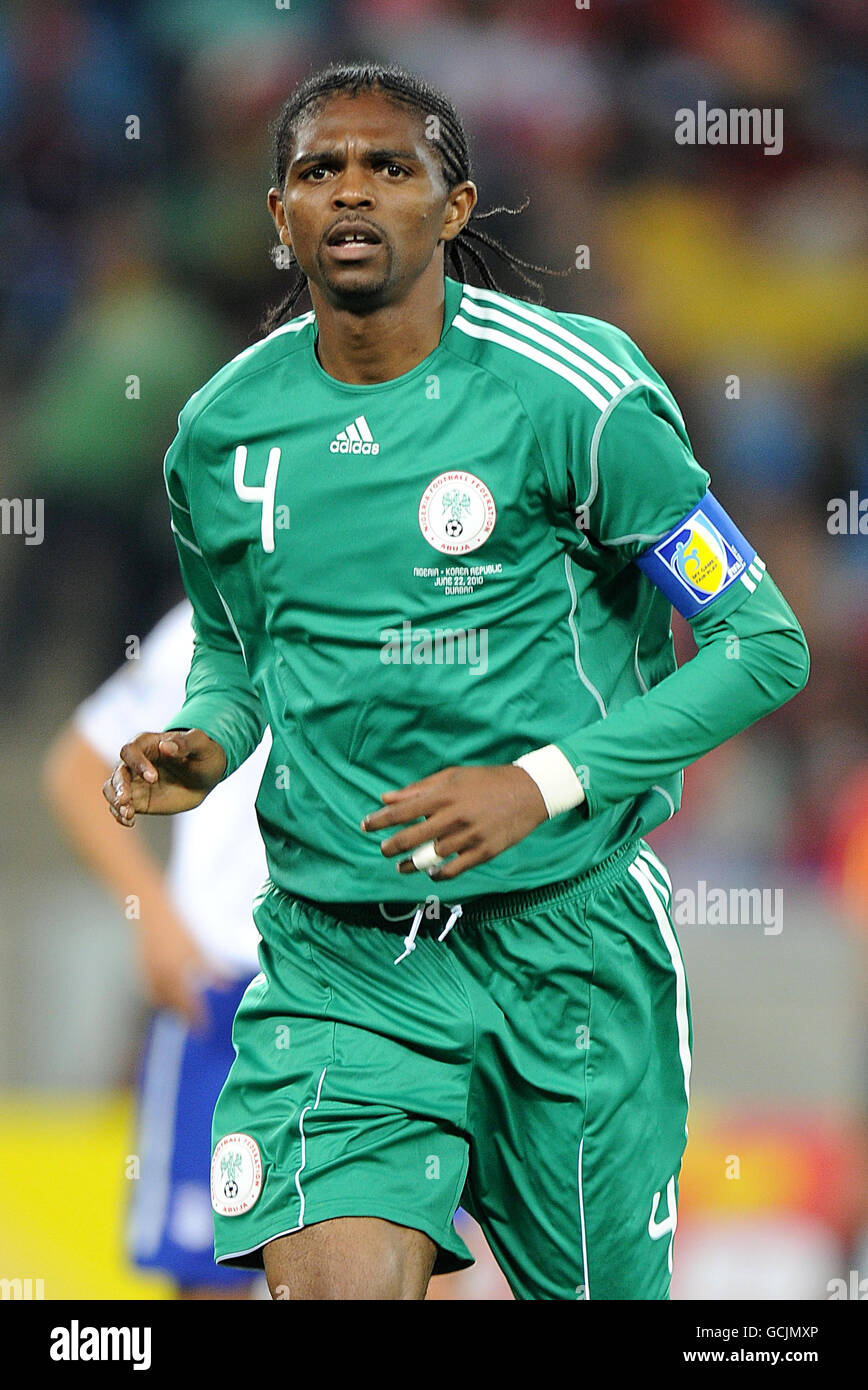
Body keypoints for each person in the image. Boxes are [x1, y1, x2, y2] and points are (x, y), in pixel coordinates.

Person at [103, 62, 810, 1301]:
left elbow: (762, 641)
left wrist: (540, 785)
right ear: (281, 216)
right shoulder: (222, 435)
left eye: (392, 167)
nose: (354, 191)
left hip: (567, 951)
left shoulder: (573, 397)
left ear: (455, 204)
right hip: (341, 962)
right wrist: (206, 739)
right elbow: (234, 644)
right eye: (321, 170)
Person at [46, 601, 271, 1299]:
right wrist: (157, 921)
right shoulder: (214, 616)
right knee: (209, 1279)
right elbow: (78, 767)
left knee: (414, 1270)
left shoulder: (421, 602)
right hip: (222, 996)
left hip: (372, 994)